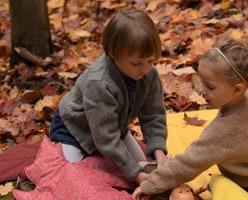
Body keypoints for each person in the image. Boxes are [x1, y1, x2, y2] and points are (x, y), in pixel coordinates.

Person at [133, 37, 248, 200]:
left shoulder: (224, 130)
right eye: (202, 83)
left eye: (210, 87)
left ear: (238, 89)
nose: (202, 91)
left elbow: (189, 162)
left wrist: (151, 184)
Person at [49, 8, 168, 184]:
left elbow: (153, 115)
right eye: (136, 63)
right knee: (73, 180)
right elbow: (105, 137)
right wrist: (133, 173)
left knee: (143, 165)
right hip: (74, 130)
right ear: (113, 53)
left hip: (115, 127)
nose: (145, 69)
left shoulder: (149, 75)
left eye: (151, 61)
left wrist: (160, 152)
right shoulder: (98, 83)